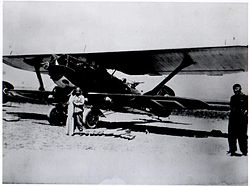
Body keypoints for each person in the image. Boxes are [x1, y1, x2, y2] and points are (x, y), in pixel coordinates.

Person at [228, 84, 248, 156]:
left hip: (242, 119)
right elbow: (231, 107)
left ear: (240, 89)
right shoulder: (233, 98)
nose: (236, 90)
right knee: (231, 135)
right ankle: (232, 150)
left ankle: (244, 151)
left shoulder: (245, 97)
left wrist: (245, 111)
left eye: (237, 88)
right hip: (233, 118)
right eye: (235, 89)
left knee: (242, 135)